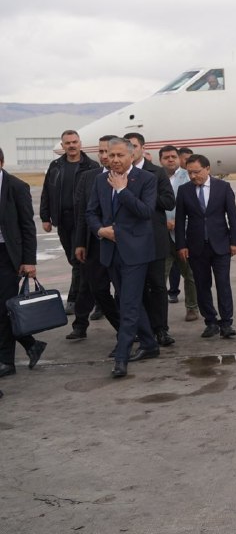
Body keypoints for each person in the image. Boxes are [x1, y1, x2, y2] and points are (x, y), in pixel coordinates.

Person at [86, 137, 160, 377]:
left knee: (127, 304)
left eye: (119, 155)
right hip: (110, 251)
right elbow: (91, 212)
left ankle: (121, 358)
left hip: (136, 253)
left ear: (131, 156)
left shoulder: (146, 179)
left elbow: (146, 212)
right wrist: (100, 230)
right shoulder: (99, 180)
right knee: (131, 301)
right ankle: (149, 344)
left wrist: (122, 189)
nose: (114, 160)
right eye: (110, 155)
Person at [175, 154, 236, 339]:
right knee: (202, 285)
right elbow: (180, 220)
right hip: (196, 247)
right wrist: (181, 245)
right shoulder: (184, 190)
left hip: (221, 245)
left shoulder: (223, 187)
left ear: (208, 169)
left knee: (223, 284)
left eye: (197, 172)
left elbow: (232, 216)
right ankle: (210, 321)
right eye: (190, 173)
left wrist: (234, 242)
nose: (193, 176)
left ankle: (226, 323)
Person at [123, 132, 176, 347]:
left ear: (142, 148)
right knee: (135, 288)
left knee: (157, 286)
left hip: (154, 239)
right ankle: (141, 329)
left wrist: (145, 197)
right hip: (129, 240)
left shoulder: (157, 173)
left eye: (134, 146)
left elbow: (169, 201)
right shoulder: (118, 174)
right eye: (128, 146)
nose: (131, 150)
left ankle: (161, 329)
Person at [39, 129, 98, 313]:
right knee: (74, 262)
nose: (71, 145)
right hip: (62, 221)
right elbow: (46, 192)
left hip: (82, 221)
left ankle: (75, 301)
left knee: (78, 260)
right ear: (62, 145)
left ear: (80, 143)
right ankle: (94, 298)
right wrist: (45, 217)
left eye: (74, 142)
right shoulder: (56, 166)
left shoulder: (91, 166)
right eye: (68, 143)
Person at [0, 147, 47, 380]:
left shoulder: (17, 187)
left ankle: (6, 361)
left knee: (5, 308)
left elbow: (28, 226)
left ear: (1, 162)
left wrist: (29, 260)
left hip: (8, 256)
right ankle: (31, 344)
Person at [69, 135, 121, 341]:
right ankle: (83, 324)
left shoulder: (133, 176)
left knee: (124, 291)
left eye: (107, 151)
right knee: (94, 287)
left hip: (121, 244)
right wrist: (80, 242)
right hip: (95, 243)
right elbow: (82, 212)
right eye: (100, 152)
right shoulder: (89, 177)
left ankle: (128, 329)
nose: (104, 156)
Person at [160, 145, 199, 322]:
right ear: (160, 160)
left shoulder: (188, 177)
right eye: (166, 157)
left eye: (173, 156)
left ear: (178, 158)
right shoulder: (154, 177)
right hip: (161, 236)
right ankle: (159, 313)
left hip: (183, 235)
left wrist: (179, 222)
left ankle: (192, 308)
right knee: (159, 278)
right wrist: (163, 223)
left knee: (190, 274)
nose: (170, 160)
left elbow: (197, 206)